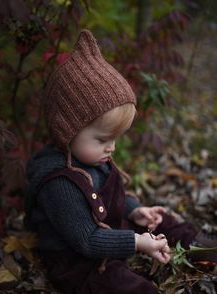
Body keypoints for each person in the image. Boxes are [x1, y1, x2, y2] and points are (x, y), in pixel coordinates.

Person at [25, 30, 217, 294]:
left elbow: (108, 196)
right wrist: (137, 242)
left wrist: (134, 210)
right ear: (66, 131)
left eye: (116, 138)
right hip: (79, 257)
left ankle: (198, 245)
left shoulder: (92, 157)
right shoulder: (59, 183)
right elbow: (88, 240)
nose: (112, 147)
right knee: (115, 282)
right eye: (104, 138)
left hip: (111, 231)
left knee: (156, 219)